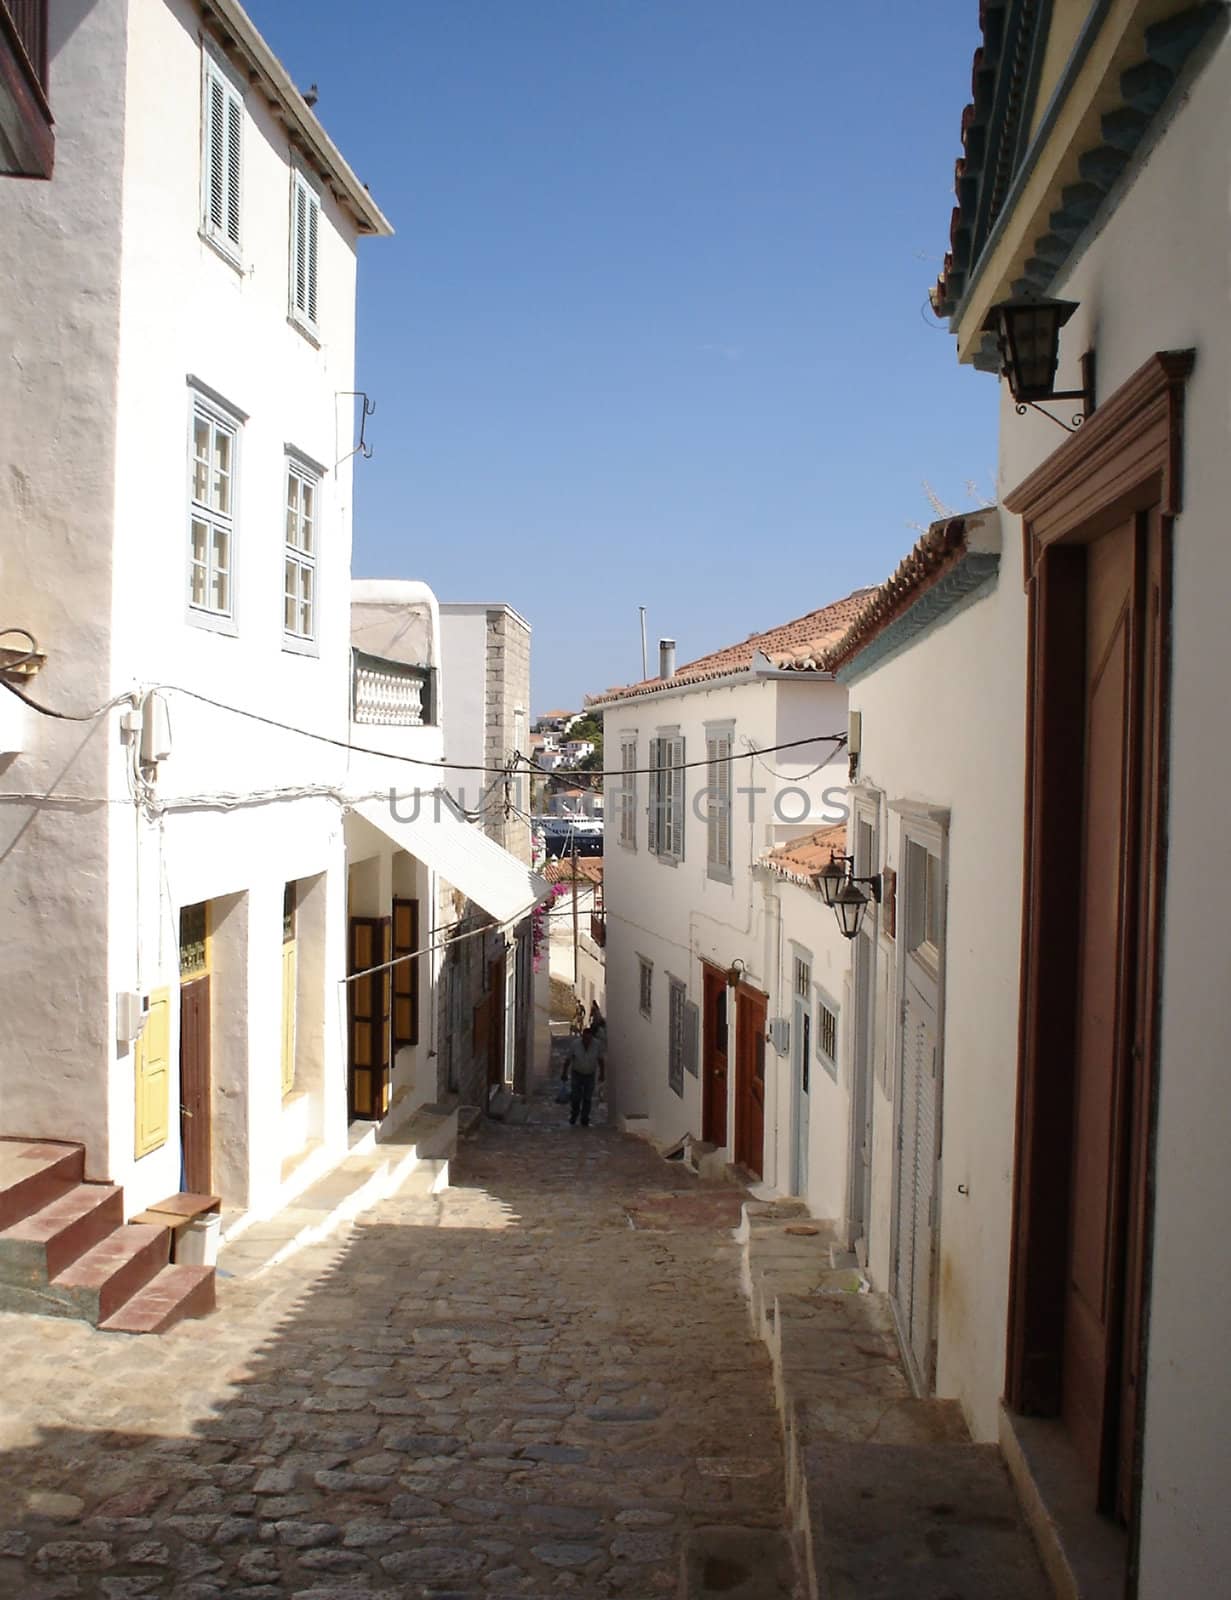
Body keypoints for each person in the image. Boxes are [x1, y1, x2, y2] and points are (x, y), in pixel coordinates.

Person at [565, 1025, 603, 1126]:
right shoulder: (575, 1044)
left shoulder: (597, 1045)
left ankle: (585, 1117)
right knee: (576, 1096)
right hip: (577, 1073)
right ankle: (574, 1114)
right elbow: (568, 1059)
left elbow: (600, 1060)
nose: (587, 1041)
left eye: (589, 1039)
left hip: (590, 1074)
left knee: (587, 1097)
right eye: (585, 1038)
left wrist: (602, 1074)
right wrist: (564, 1073)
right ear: (582, 1037)